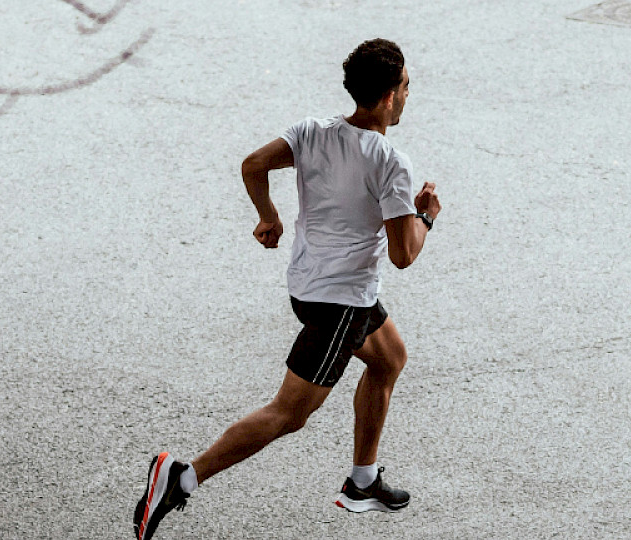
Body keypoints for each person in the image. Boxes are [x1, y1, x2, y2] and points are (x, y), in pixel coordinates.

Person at [133, 38, 442, 540]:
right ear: (388, 97)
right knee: (288, 414)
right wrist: (426, 214)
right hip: (341, 302)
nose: (409, 95)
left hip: (307, 286)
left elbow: (253, 164)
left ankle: (362, 481)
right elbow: (405, 254)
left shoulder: (311, 131)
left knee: (389, 359)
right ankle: (181, 478)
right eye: (406, 86)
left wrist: (268, 218)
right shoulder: (391, 162)